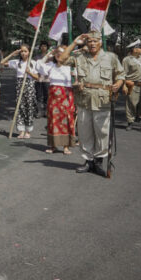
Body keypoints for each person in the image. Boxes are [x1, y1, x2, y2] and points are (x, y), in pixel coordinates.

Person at [57, 31, 124, 175]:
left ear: (101, 42)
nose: (92, 44)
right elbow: (61, 59)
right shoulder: (79, 57)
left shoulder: (110, 58)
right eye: (90, 41)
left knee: (102, 133)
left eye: (95, 41)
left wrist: (118, 84)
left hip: (103, 101)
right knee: (85, 133)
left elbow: (120, 75)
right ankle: (88, 161)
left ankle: (98, 161)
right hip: (84, 100)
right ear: (86, 43)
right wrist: (75, 42)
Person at [35, 45, 74, 154]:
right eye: (57, 53)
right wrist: (48, 54)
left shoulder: (70, 66)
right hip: (53, 97)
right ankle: (53, 145)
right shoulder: (51, 65)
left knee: (67, 118)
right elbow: (38, 66)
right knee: (53, 120)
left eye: (62, 52)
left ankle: (66, 146)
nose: (59, 55)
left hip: (66, 95)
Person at [1, 45, 40, 138]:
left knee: (29, 108)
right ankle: (21, 130)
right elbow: (2, 62)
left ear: (29, 52)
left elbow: (37, 77)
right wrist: (12, 54)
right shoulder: (16, 62)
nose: (23, 53)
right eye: (22, 51)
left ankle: (28, 131)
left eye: (25, 51)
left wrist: (29, 72)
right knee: (20, 107)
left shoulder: (33, 63)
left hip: (29, 86)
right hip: (19, 85)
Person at [122, 39, 141, 131]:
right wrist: (124, 85)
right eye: (140, 48)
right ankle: (130, 122)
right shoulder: (126, 60)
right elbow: (123, 74)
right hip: (132, 85)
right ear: (134, 49)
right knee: (131, 104)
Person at [33, 41, 50, 116]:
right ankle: (39, 111)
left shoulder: (50, 57)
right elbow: (33, 67)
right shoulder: (36, 57)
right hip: (38, 78)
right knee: (38, 95)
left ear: (47, 48)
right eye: (42, 46)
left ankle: (46, 111)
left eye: (45, 46)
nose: (43, 48)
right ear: (40, 47)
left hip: (47, 79)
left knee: (47, 95)